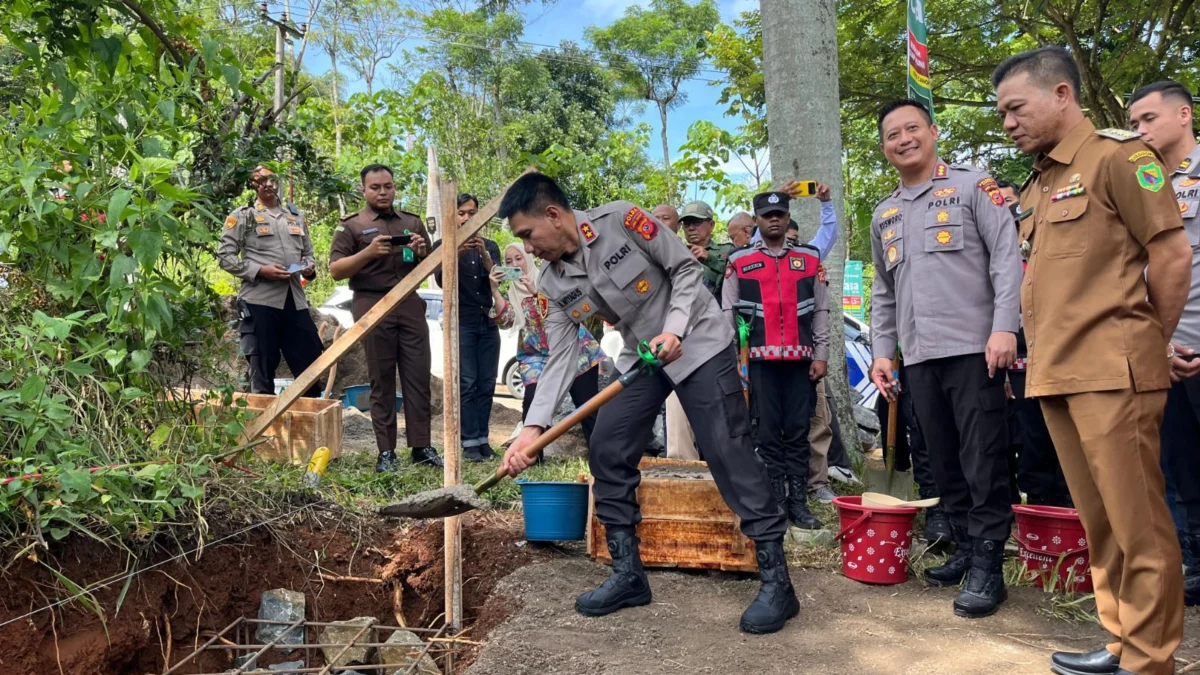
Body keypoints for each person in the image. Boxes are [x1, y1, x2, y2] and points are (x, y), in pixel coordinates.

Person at [499, 173, 797, 635]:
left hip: (698, 340)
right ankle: (628, 574)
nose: (528, 247)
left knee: (727, 449)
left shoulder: (621, 219)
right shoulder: (554, 281)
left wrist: (675, 328)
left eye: (526, 235)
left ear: (553, 215)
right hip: (643, 357)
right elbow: (561, 355)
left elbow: (684, 269)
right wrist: (531, 429)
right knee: (608, 448)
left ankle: (778, 582)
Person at [994, 47, 1191, 675]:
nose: (1007, 123)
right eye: (1001, 113)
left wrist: (1147, 339)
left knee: (1140, 524)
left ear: (1060, 94)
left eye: (1015, 108)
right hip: (1057, 372)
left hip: (1115, 370)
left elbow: (1171, 254)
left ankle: (1151, 659)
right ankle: (1121, 642)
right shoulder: (1043, 180)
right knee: (1101, 522)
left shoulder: (1120, 157)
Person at [869, 99, 1022, 619]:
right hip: (918, 359)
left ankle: (989, 565)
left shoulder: (973, 186)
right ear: (885, 146)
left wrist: (1005, 327)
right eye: (893, 134)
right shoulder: (884, 213)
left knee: (984, 460)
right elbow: (883, 292)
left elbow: (1006, 258)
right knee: (942, 460)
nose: (904, 139)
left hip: (975, 350)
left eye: (913, 128)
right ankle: (962, 546)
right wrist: (883, 353)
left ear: (933, 132)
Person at [1131, 80, 1200, 602]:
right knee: (1175, 466)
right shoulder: (1143, 183)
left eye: (1149, 119)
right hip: (1166, 350)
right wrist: (1161, 343)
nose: (1140, 131)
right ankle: (1191, 562)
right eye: (1134, 123)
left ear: (1184, 115)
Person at [723, 190, 829, 530]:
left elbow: (823, 311)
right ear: (756, 220)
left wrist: (822, 355)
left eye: (780, 214)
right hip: (758, 362)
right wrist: (734, 363)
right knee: (766, 433)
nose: (774, 219)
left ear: (787, 217)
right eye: (767, 215)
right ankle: (776, 502)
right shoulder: (738, 261)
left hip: (801, 363)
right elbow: (728, 312)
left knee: (798, 432)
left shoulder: (810, 258)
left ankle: (799, 503)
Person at [329, 164, 441, 472]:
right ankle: (386, 452)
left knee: (418, 377)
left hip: (409, 303)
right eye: (375, 187)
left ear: (394, 188)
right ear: (363, 190)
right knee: (381, 380)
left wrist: (421, 252)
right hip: (371, 305)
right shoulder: (351, 226)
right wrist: (367, 253)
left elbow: (433, 267)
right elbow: (336, 269)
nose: (382, 192)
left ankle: (421, 446)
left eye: (388, 186)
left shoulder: (412, 222)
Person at [994, 179, 1072, 507]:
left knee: (1066, 439)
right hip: (1016, 364)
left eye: (1015, 208)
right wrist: (1005, 374)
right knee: (1028, 440)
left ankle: (1072, 510)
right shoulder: (992, 261)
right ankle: (1038, 511)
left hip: (1060, 358)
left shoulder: (1049, 248)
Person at [218, 165, 324, 397]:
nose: (267, 184)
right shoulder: (243, 216)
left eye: (271, 179)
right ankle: (262, 430)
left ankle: (305, 424)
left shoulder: (295, 216)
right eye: (260, 180)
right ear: (252, 185)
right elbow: (225, 257)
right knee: (262, 370)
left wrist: (308, 267)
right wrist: (260, 270)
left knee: (312, 364)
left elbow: (308, 253)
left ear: (278, 182)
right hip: (259, 302)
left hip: (295, 301)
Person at [489, 242, 604, 458]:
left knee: (587, 407)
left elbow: (574, 310)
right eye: (509, 261)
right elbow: (506, 321)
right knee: (532, 400)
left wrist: (536, 291)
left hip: (576, 350)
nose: (515, 264)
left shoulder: (548, 279)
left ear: (528, 259)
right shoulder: (513, 293)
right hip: (535, 355)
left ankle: (600, 458)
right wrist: (495, 290)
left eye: (519, 258)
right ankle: (532, 457)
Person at [432, 194, 503, 461]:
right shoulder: (442, 245)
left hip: (487, 319)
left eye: (472, 213)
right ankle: (468, 441)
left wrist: (485, 255)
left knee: (487, 382)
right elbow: (440, 280)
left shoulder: (491, 245)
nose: (466, 218)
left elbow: (497, 279)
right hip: (461, 320)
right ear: (453, 216)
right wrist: (454, 252)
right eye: (461, 213)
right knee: (467, 382)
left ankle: (483, 439)